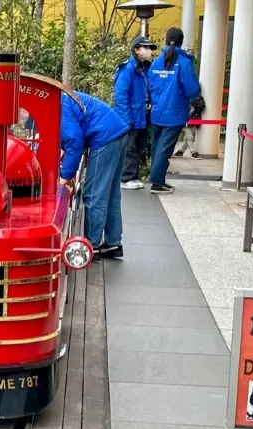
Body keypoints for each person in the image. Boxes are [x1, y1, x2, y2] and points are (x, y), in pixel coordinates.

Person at [60, 91, 129, 261]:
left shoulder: (58, 106)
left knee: (94, 193)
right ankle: (113, 242)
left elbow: (73, 142)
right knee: (111, 194)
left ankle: (90, 246)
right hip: (116, 130)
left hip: (104, 136)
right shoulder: (60, 98)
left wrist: (65, 177)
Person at [148, 27, 200, 194]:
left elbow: (150, 86)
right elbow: (192, 89)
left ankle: (158, 179)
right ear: (181, 41)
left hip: (157, 111)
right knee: (165, 148)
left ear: (166, 39)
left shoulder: (156, 62)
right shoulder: (184, 63)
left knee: (157, 146)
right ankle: (157, 182)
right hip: (175, 112)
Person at [113, 36, 158, 190]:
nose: (149, 51)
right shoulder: (127, 69)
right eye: (146, 48)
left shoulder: (145, 69)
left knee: (139, 146)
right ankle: (126, 177)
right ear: (137, 50)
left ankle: (133, 176)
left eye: (150, 48)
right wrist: (126, 118)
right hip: (131, 116)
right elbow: (120, 95)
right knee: (129, 147)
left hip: (143, 116)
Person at [173, 94, 205, 158]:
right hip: (185, 121)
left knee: (187, 138)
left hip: (193, 120)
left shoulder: (196, 98)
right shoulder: (184, 97)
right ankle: (193, 153)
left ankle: (180, 152)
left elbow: (202, 106)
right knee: (190, 137)